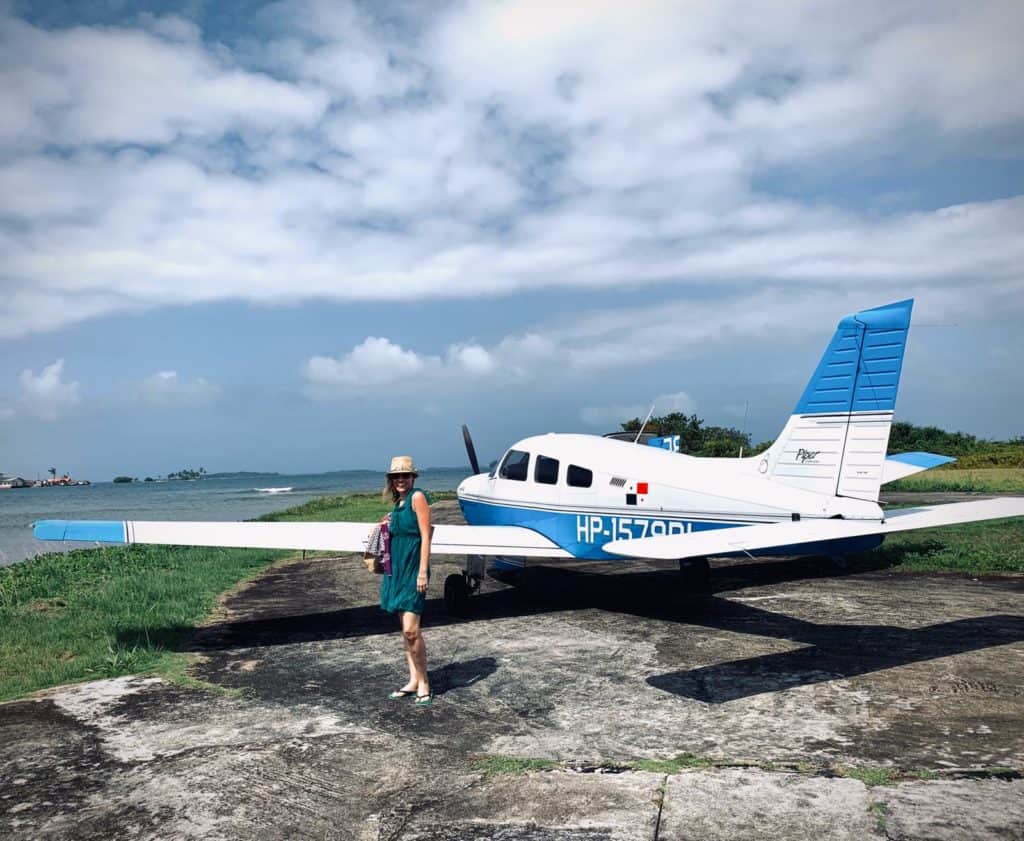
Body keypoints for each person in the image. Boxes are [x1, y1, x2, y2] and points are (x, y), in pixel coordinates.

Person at [379, 455, 433, 706]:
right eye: (396, 476)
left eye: (405, 475)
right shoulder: (398, 504)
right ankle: (413, 679)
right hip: (397, 571)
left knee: (412, 630)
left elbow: (425, 535)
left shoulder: (417, 497)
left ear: (413, 477)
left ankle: (424, 682)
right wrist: (385, 524)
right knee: (405, 631)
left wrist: (422, 571)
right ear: (391, 480)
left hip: (413, 570)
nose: (401, 480)